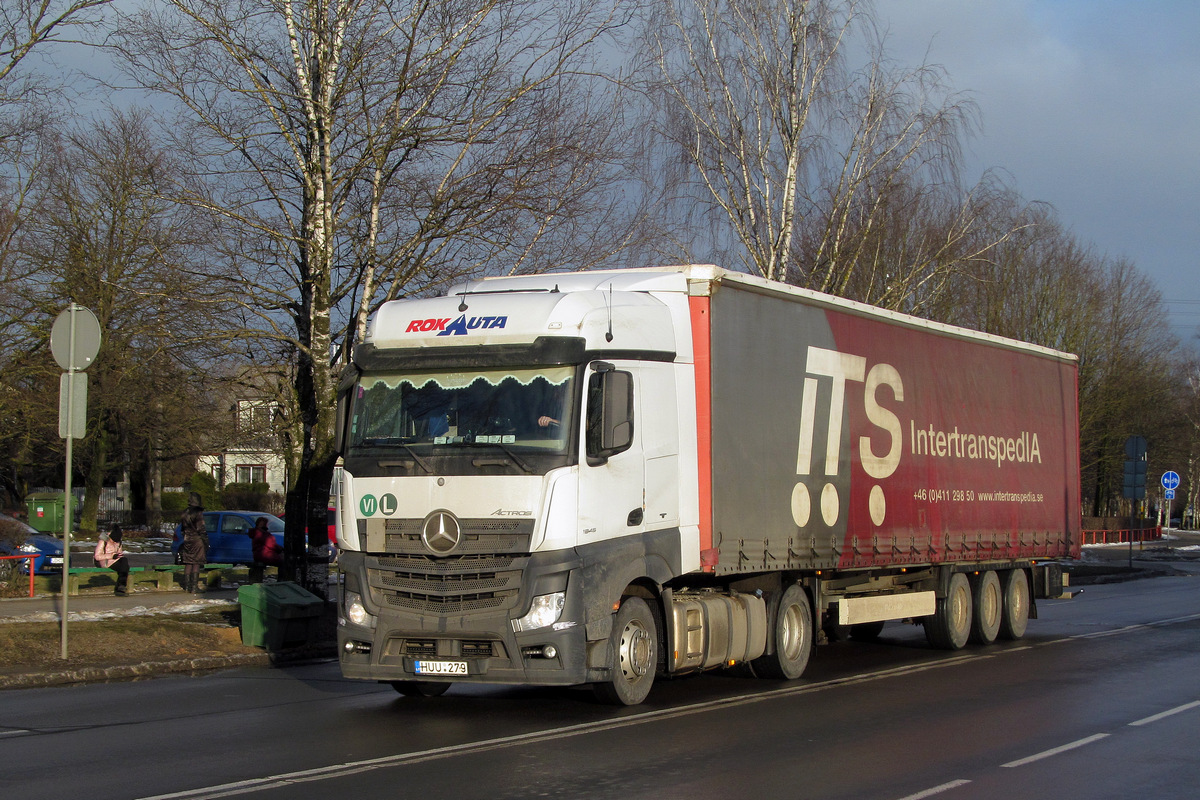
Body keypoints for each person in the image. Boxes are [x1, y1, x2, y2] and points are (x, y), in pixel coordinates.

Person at [179, 492, 208, 594]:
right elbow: (201, 528)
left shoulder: (184, 513)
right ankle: (194, 587)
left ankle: (187, 586)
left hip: (187, 539)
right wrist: (205, 540)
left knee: (188, 562)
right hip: (197, 539)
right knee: (196, 562)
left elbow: (182, 528)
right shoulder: (198, 513)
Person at [94, 523, 130, 596]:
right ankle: (120, 586)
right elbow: (97, 556)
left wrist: (119, 555)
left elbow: (119, 551)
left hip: (115, 560)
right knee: (124, 567)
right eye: (113, 541)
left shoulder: (118, 542)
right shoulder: (103, 541)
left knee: (124, 563)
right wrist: (111, 556)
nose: (115, 542)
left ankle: (121, 586)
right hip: (105, 561)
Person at [248, 516, 283, 583]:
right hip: (265, 555)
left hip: (259, 554)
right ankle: (281, 580)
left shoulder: (256, 532)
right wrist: (280, 549)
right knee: (283, 562)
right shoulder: (262, 534)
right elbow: (271, 545)